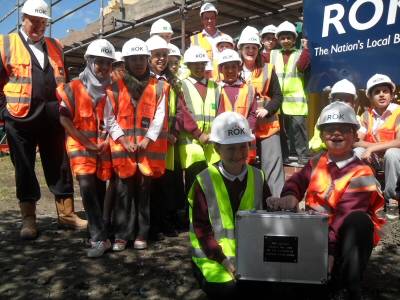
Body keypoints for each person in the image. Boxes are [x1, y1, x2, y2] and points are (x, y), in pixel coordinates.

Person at [267, 101, 385, 300]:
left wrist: (329, 251)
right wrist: (290, 195)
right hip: (315, 231)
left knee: (359, 221)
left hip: (345, 240)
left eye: (343, 129)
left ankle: (348, 284)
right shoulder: (316, 161)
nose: (336, 134)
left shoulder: (362, 173)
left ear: (355, 136)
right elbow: (297, 180)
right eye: (329, 129)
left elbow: (343, 216)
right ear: (321, 136)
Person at [0, 0, 87, 240]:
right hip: (20, 119)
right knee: (25, 168)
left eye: (42, 22)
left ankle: (66, 214)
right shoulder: (6, 43)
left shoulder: (56, 45)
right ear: (23, 18)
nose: (38, 26)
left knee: (60, 165)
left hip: (52, 117)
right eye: (34, 21)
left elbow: (64, 80)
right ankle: (29, 219)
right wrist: (4, 112)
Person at [189, 111, 271, 299]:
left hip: (251, 255)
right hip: (213, 258)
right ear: (217, 149)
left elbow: (268, 218)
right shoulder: (204, 181)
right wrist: (225, 262)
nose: (238, 154)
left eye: (243, 147)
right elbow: (202, 230)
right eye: (231, 149)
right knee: (229, 291)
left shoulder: (258, 176)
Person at [105, 38, 168, 251]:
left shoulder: (159, 86)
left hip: (146, 149)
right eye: (134, 58)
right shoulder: (113, 88)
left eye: (142, 58)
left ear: (148, 59)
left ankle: (142, 234)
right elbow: (109, 118)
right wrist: (123, 140)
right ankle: (122, 236)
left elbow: (160, 116)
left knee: (143, 192)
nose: (139, 62)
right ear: (126, 61)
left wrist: (147, 139)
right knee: (123, 193)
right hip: (124, 150)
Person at [58, 39, 115, 257]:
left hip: (102, 149)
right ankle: (100, 238)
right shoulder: (73, 87)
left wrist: (104, 142)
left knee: (100, 188)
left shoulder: (111, 89)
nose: (103, 68)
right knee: (87, 187)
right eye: (99, 62)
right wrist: (89, 143)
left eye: (107, 63)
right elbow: (64, 120)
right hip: (81, 148)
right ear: (89, 62)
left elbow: (115, 120)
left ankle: (97, 232)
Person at [237, 26, 285, 197]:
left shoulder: (267, 68)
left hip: (267, 126)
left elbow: (278, 96)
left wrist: (268, 109)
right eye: (247, 47)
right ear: (240, 49)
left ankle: (277, 202)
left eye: (254, 47)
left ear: (258, 49)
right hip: (243, 128)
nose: (250, 51)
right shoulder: (232, 69)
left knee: (272, 167)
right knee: (244, 166)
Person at [175, 46, 220, 194]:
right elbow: (183, 113)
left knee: (212, 185)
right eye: (195, 64)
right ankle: (191, 216)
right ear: (188, 65)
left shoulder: (215, 86)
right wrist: (198, 134)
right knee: (194, 186)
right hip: (191, 144)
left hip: (211, 144)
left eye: (202, 63)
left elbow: (220, 111)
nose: (200, 67)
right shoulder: (181, 85)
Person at [354, 74, 400, 210]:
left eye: (385, 91)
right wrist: (372, 148)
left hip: (394, 159)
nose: (381, 95)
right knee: (357, 152)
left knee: (392, 153)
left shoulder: (398, 112)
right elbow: (356, 141)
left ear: (391, 95)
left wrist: (371, 148)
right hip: (375, 159)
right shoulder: (366, 115)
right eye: (377, 92)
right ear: (370, 97)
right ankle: (372, 192)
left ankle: (392, 197)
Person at [268, 21, 310, 166]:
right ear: (278, 40)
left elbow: (302, 66)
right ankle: (284, 156)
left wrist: (306, 50)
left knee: (299, 129)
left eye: (289, 37)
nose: (286, 41)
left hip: (296, 101)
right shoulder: (273, 54)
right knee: (280, 131)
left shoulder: (300, 53)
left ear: (294, 39)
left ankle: (303, 156)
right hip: (278, 100)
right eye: (282, 38)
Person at [216, 49, 257, 162]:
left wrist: (242, 131)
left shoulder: (248, 89)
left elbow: (253, 114)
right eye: (226, 67)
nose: (230, 70)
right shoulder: (215, 89)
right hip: (224, 141)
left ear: (239, 68)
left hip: (244, 140)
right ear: (220, 69)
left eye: (233, 67)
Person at [309, 79, 359, 153]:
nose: (342, 103)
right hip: (320, 152)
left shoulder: (357, 119)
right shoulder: (324, 117)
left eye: (346, 100)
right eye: (339, 100)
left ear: (354, 103)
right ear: (331, 101)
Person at [190, 2, 227, 80]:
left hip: (223, 80)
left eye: (212, 18)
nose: (209, 21)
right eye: (206, 18)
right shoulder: (195, 39)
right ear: (202, 20)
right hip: (203, 80)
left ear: (216, 18)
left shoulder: (225, 38)